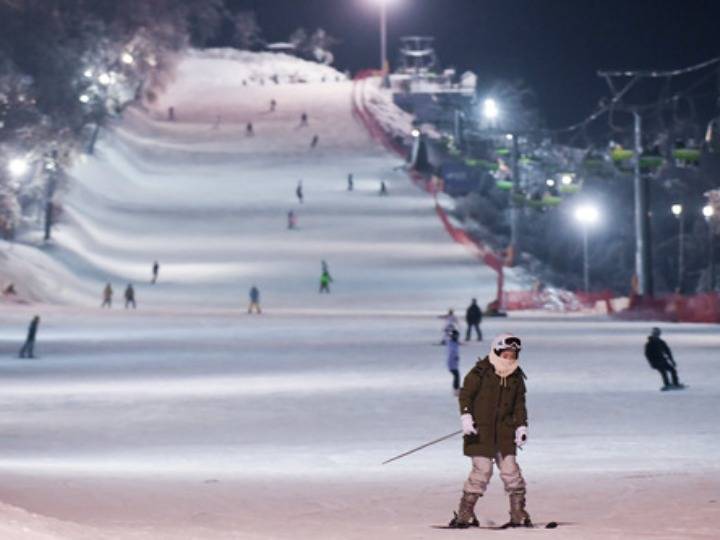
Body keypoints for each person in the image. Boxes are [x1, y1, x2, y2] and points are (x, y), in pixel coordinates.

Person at [448, 333, 531, 529]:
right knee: (482, 471)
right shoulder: (480, 372)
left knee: (511, 472)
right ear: (497, 351)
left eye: (513, 355)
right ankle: (465, 513)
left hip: (504, 434)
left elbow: (519, 403)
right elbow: (466, 395)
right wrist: (466, 417)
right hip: (480, 433)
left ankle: (518, 512)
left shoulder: (516, 377)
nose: (509, 359)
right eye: (506, 354)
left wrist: (521, 425)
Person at [447, 328, 461, 396]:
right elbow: (452, 351)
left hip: (454, 362)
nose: (457, 337)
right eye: (456, 336)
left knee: (456, 376)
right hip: (452, 362)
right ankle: (456, 390)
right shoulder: (451, 343)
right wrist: (455, 356)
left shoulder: (453, 342)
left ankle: (456, 389)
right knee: (456, 376)